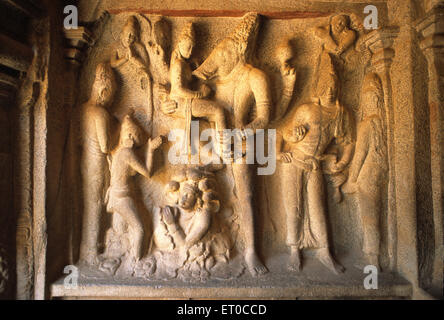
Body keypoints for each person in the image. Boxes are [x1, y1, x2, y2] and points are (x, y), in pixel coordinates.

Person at [277, 52, 354, 274]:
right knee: (294, 206)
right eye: (326, 85)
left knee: (318, 207)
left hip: (315, 164)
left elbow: (348, 142)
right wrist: (281, 151)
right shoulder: (307, 110)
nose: (330, 90)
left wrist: (342, 162)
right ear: (319, 87)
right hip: (294, 161)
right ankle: (294, 250)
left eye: (333, 85)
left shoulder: (341, 114)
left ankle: (325, 250)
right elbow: (284, 132)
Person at [343, 73, 387, 270]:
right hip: (381, 173)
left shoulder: (367, 124)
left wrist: (351, 180)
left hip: (367, 177)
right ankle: (375, 256)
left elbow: (360, 155)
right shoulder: (385, 124)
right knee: (375, 215)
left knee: (369, 217)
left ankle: (373, 260)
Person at [105, 114, 163, 261]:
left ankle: (125, 255)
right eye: (137, 139)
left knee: (123, 230)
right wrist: (150, 150)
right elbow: (148, 172)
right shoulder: (126, 153)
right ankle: (137, 261)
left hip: (117, 196)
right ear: (130, 136)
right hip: (121, 198)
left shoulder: (119, 152)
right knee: (140, 229)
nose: (139, 144)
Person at [80, 62, 117, 265]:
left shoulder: (82, 110)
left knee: (89, 206)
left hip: (84, 165)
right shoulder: (100, 113)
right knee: (95, 207)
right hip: (97, 166)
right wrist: (119, 129)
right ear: (104, 91)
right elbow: (106, 146)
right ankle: (92, 255)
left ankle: (90, 250)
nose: (111, 102)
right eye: (111, 97)